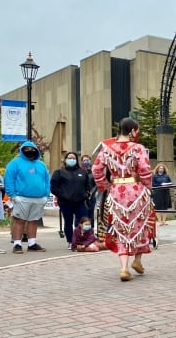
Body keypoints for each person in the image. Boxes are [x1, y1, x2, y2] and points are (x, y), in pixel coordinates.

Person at [91, 117, 155, 280]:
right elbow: (145, 170)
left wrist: (105, 186)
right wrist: (147, 185)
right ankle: (138, 260)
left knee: (120, 228)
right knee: (141, 224)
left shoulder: (106, 149)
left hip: (116, 192)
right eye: (137, 130)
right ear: (132, 131)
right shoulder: (138, 148)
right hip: (136, 191)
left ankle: (124, 267)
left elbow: (96, 169)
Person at [4, 141, 50, 253]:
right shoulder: (15, 163)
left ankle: (32, 243)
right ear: (22, 150)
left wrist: (46, 195)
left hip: (39, 198)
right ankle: (17, 244)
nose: (30, 151)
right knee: (19, 221)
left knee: (33, 221)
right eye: (27, 149)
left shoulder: (41, 165)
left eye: (32, 149)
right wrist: (13, 195)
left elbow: (47, 180)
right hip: (21, 197)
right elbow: (9, 179)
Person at [50, 151, 91, 249]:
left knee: (84, 221)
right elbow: (54, 187)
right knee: (68, 222)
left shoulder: (82, 172)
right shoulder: (59, 172)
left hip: (80, 202)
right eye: (69, 158)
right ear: (65, 160)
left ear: (76, 160)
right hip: (65, 203)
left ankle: (84, 240)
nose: (71, 160)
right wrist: (63, 196)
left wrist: (86, 194)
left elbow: (87, 186)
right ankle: (70, 241)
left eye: (73, 158)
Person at [81, 154, 97, 228]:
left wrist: (92, 193)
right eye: (84, 160)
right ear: (81, 161)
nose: (86, 161)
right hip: (82, 196)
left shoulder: (93, 171)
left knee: (91, 213)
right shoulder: (80, 171)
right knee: (83, 214)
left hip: (91, 196)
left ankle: (91, 230)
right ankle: (82, 230)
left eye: (87, 160)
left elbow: (96, 184)